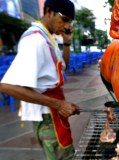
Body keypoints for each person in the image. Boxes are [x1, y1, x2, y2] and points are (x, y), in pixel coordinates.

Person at [0, 0, 80, 159]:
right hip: (47, 115)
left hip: (53, 110)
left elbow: (63, 67)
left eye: (70, 22)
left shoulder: (48, 38)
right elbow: (7, 86)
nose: (66, 26)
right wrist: (58, 104)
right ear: (49, 11)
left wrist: (67, 43)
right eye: (64, 19)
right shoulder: (35, 40)